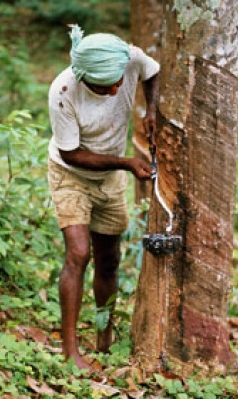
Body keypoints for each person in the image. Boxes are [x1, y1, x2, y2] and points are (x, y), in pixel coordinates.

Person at [48, 25, 160, 369]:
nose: (115, 89)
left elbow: (152, 71)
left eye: (118, 81)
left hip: (110, 180)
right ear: (84, 78)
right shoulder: (63, 90)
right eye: (104, 85)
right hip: (71, 175)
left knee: (109, 259)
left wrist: (151, 110)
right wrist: (127, 162)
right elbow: (71, 154)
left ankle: (104, 336)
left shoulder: (125, 58)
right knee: (78, 253)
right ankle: (70, 352)